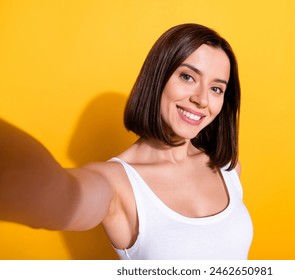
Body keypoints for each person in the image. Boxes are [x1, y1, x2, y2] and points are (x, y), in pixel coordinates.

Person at [0, 23, 253, 259]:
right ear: (158, 78)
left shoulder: (228, 168)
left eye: (216, 89)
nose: (202, 100)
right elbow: (65, 197)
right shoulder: (116, 184)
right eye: (187, 77)